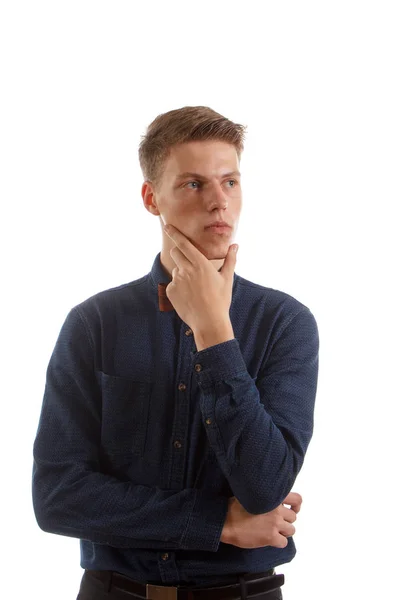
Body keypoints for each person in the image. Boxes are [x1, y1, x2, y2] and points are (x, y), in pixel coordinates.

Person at [32, 105, 319, 600]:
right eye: (193, 184)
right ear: (151, 198)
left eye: (230, 182)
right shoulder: (94, 324)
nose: (218, 203)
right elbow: (57, 498)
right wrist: (217, 523)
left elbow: (265, 487)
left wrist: (214, 333)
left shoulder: (285, 323)